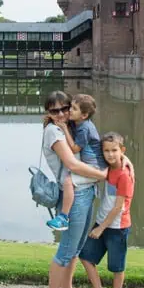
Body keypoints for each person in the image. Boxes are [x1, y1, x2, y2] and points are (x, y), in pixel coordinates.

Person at [41, 91, 133, 288]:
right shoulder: (54, 131)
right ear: (48, 112)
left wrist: (122, 158)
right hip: (75, 194)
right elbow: (72, 164)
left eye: (66, 108)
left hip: (86, 190)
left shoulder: (74, 125)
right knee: (66, 249)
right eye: (56, 110)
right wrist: (104, 175)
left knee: (77, 246)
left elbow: (98, 146)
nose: (62, 113)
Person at [79, 132, 134, 288]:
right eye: (106, 151)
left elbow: (118, 207)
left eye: (114, 150)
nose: (110, 154)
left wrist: (100, 228)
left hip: (117, 227)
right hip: (102, 222)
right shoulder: (107, 168)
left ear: (122, 150)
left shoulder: (124, 175)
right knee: (86, 256)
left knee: (117, 267)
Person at [46, 94, 107, 231]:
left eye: (72, 108)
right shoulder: (79, 123)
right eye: (71, 107)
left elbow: (74, 149)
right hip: (94, 166)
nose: (70, 111)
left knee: (68, 181)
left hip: (95, 166)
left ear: (84, 115)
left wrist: (65, 129)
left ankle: (63, 217)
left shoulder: (85, 128)